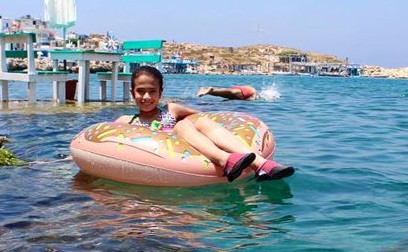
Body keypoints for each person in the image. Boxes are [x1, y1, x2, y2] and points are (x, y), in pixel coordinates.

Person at [117, 66, 294, 182]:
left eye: (152, 91)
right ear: (132, 92)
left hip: (192, 147)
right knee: (181, 126)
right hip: (164, 159)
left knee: (191, 123)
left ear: (160, 93)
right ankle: (226, 161)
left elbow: (206, 117)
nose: (146, 97)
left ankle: (260, 164)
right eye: (140, 92)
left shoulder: (172, 109)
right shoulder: (127, 121)